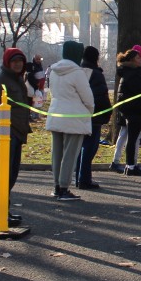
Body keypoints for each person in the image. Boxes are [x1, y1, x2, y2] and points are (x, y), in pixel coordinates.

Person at [0, 48, 31, 226]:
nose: (18, 64)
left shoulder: (17, 80)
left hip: (17, 133)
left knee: (10, 176)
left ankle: (4, 210)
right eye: (14, 61)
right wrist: (4, 133)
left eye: (20, 61)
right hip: (4, 135)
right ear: (7, 62)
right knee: (1, 176)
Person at [46, 41, 94, 200]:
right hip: (74, 117)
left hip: (56, 114)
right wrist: (89, 112)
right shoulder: (77, 73)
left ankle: (56, 185)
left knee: (57, 153)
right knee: (70, 154)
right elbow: (88, 98)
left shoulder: (54, 71)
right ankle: (64, 187)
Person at [111, 46, 141, 176]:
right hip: (134, 109)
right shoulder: (132, 73)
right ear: (132, 60)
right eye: (138, 57)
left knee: (132, 138)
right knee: (132, 139)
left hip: (132, 109)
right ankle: (130, 166)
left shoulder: (130, 71)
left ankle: (130, 165)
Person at [75, 46, 111, 189]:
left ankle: (79, 177)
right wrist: (106, 113)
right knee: (90, 148)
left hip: (77, 114)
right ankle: (84, 178)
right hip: (93, 116)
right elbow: (101, 96)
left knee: (79, 148)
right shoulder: (96, 74)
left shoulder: (77, 72)